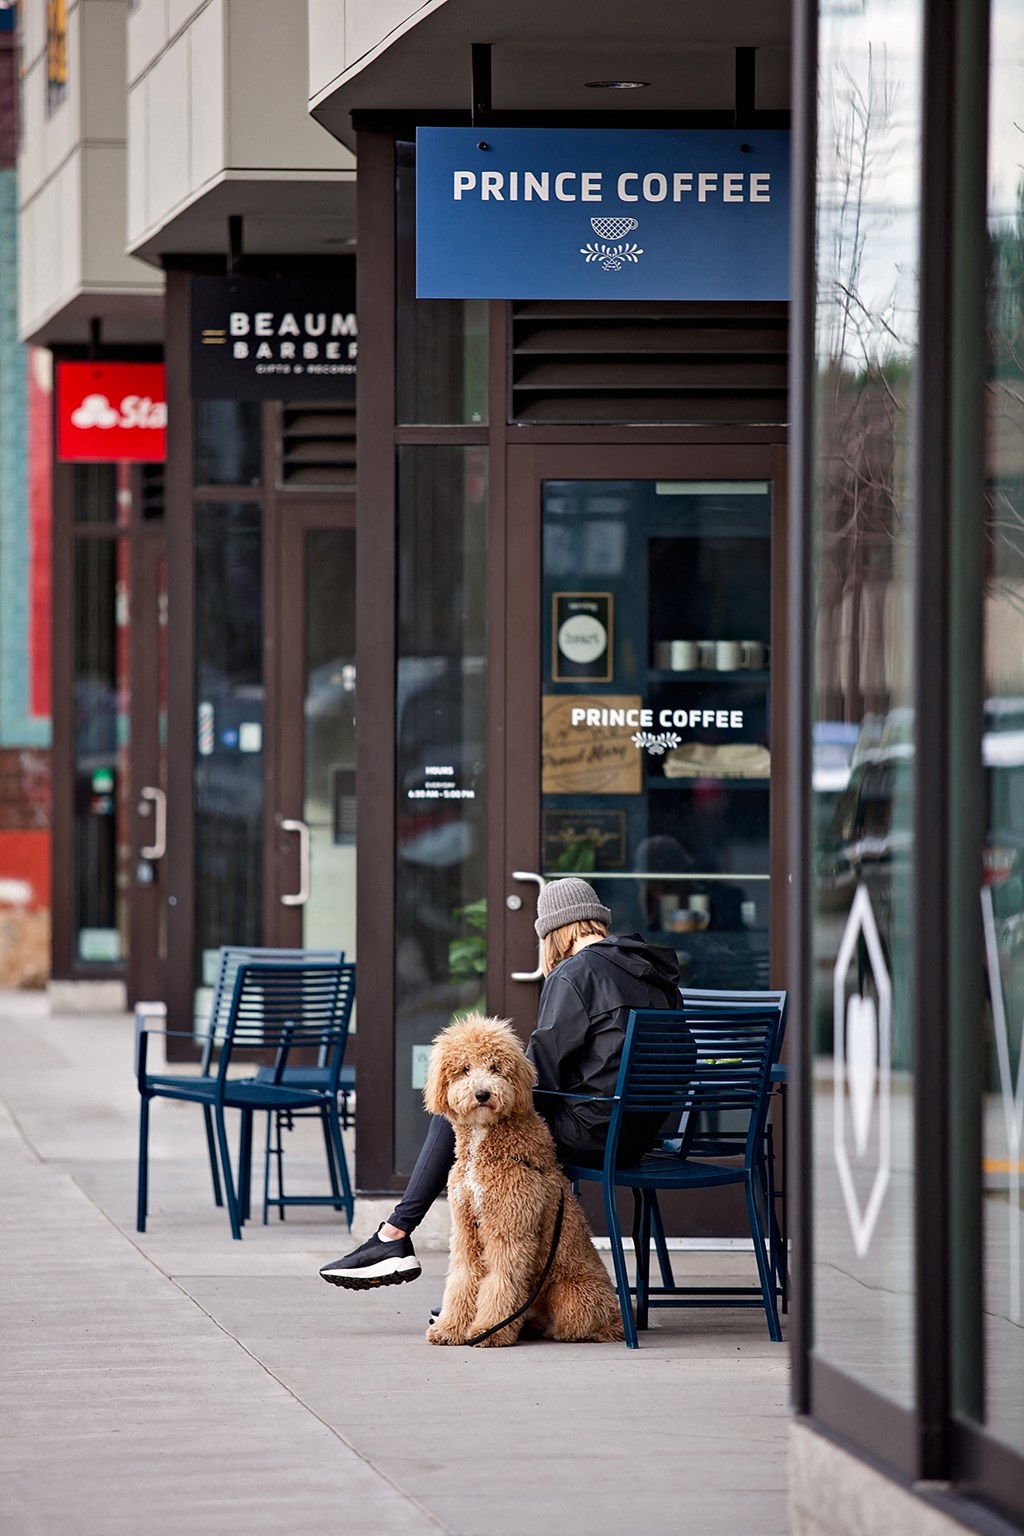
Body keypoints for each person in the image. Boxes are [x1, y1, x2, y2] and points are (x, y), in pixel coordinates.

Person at [319, 876, 681, 1290]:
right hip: (641, 1133)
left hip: (595, 1134)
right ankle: (413, 1248)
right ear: (597, 923)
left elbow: (539, 1075)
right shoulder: (653, 971)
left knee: (458, 1115)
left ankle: (400, 1241)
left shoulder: (575, 975)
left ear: (554, 931)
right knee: (476, 1111)